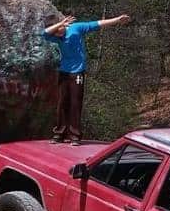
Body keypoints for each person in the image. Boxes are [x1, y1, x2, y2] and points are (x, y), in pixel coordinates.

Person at [42, 12, 131, 144]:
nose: (57, 35)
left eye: (59, 31)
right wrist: (59, 25)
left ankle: (74, 136)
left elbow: (98, 24)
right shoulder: (55, 36)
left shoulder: (76, 28)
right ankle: (59, 134)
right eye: (55, 32)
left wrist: (117, 20)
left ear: (64, 27)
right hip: (64, 72)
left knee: (75, 103)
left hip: (77, 72)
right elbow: (44, 33)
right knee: (62, 103)